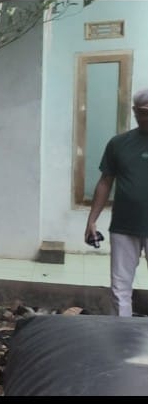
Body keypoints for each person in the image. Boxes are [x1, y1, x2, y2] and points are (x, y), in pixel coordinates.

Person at [84, 87, 148, 317]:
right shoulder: (119, 143)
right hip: (123, 226)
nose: (147, 117)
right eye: (143, 112)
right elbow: (105, 181)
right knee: (120, 288)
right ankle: (123, 335)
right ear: (134, 111)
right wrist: (92, 220)